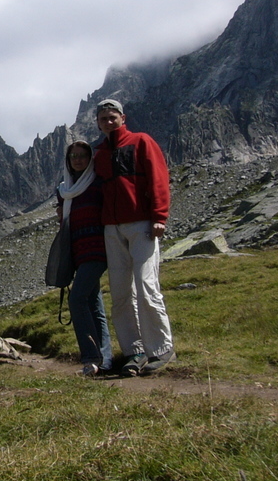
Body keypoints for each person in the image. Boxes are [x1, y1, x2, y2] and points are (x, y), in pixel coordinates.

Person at [93, 98, 175, 376]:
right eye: (103, 118)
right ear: (98, 123)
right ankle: (134, 351)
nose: (108, 121)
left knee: (145, 285)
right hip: (112, 229)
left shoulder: (141, 141)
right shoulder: (99, 153)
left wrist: (159, 216)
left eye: (112, 116)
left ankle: (162, 349)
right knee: (120, 293)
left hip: (141, 224)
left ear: (122, 117)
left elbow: (158, 178)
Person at [56, 140, 113, 377]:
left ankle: (91, 358)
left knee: (77, 300)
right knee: (93, 304)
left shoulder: (98, 183)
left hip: (97, 250)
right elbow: (63, 220)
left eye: (82, 155)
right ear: (68, 161)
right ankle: (105, 358)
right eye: (73, 156)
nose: (78, 160)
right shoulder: (64, 189)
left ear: (91, 158)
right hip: (78, 252)